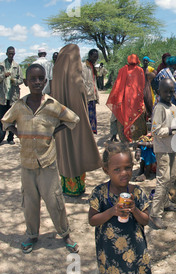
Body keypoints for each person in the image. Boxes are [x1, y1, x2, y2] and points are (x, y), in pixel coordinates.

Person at [2, 64, 80, 254]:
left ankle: (65, 233)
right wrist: (18, 133)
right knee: (29, 201)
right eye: (33, 79)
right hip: (27, 163)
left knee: (55, 201)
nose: (37, 82)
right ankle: (32, 235)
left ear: (45, 81)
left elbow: (73, 119)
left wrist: (53, 132)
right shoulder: (19, 106)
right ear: (26, 82)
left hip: (47, 162)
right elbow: (5, 122)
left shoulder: (52, 105)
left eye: (40, 79)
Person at [88, 142, 152, 274]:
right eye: (117, 169)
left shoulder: (137, 192)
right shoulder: (100, 193)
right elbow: (92, 220)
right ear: (106, 170)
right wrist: (112, 211)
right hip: (110, 254)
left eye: (127, 168)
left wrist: (134, 210)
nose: (124, 173)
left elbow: (145, 221)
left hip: (135, 252)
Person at [52, 44, 103, 197]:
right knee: (77, 149)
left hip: (60, 124)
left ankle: (68, 187)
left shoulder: (56, 75)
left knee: (65, 150)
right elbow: (81, 104)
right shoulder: (76, 78)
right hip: (76, 124)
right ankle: (78, 187)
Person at [149, 78, 176, 229]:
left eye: (171, 91)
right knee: (163, 178)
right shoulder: (159, 108)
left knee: (172, 176)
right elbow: (155, 130)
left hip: (172, 147)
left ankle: (166, 202)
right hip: (162, 148)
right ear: (158, 92)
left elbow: (174, 126)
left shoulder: (173, 107)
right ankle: (155, 214)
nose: (169, 94)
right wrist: (171, 130)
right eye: (166, 92)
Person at [106, 54, 146, 142]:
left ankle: (124, 138)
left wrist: (117, 99)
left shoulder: (123, 70)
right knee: (137, 117)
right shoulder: (140, 71)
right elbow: (142, 86)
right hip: (136, 101)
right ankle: (135, 138)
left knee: (123, 118)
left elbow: (117, 86)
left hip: (124, 101)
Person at [0, 46, 23, 144]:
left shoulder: (17, 66)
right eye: (9, 53)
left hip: (13, 96)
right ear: (6, 54)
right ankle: (1, 137)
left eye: (12, 54)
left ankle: (10, 138)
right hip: (3, 96)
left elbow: (21, 79)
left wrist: (15, 81)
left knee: (13, 118)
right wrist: (3, 76)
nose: (11, 55)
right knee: (2, 118)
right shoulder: (1, 66)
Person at [82, 49, 100, 134]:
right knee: (87, 117)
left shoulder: (93, 66)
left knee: (92, 117)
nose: (95, 59)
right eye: (94, 57)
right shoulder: (83, 67)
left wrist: (96, 95)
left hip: (92, 96)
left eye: (97, 57)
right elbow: (83, 82)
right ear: (89, 56)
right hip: (87, 96)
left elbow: (94, 81)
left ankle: (91, 134)